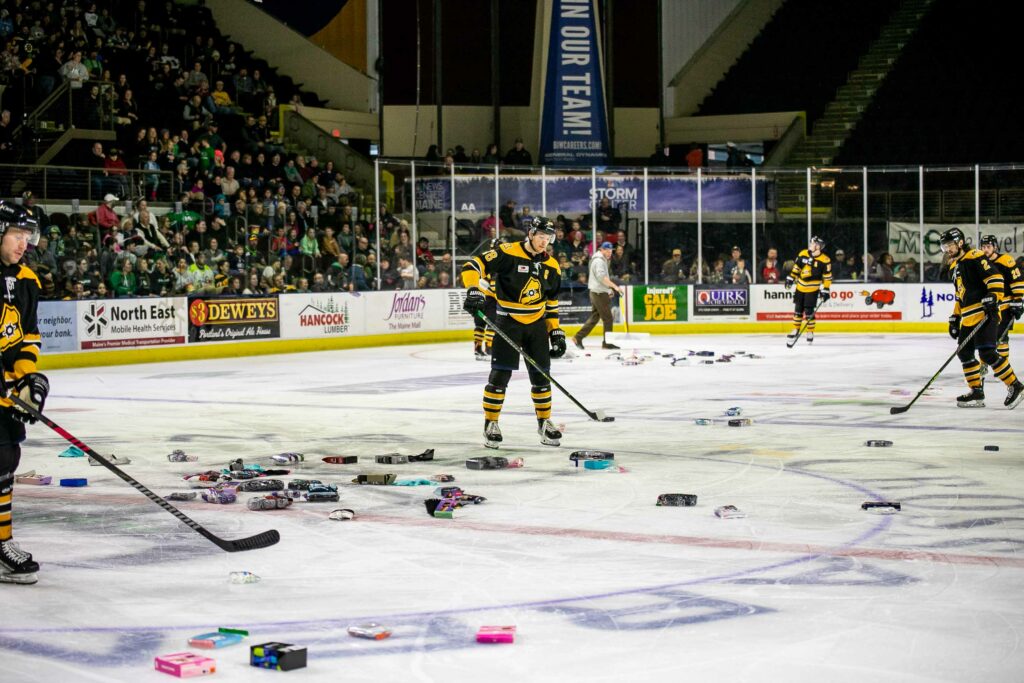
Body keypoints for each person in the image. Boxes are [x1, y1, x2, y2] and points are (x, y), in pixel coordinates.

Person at [461, 216, 566, 449]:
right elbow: (473, 265)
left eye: (548, 238)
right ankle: (491, 423)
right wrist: (473, 290)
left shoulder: (552, 265)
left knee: (542, 378)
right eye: (541, 236)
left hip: (537, 326)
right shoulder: (508, 252)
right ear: (531, 233)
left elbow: (551, 302)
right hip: (507, 323)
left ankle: (544, 422)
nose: (544, 242)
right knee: (500, 376)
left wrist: (555, 331)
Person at [0, 201, 50, 584]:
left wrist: (27, 381)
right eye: (16, 234)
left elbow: (27, 339)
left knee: (7, 458)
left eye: (26, 236)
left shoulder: (28, 280)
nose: (23, 243)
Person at [942, 228, 1022, 409]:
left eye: (950, 245)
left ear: (960, 242)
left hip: (985, 314)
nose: (947, 249)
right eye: (944, 246)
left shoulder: (975, 256)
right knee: (964, 352)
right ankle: (976, 391)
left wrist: (994, 296)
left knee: (987, 353)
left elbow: (995, 277)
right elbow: (960, 295)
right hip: (968, 317)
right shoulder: (954, 266)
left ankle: (1015, 385)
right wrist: (955, 316)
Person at [979, 234, 1024, 364]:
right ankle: (984, 363)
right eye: (983, 247)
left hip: (1005, 306)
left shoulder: (1006, 260)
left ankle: (1003, 365)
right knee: (985, 337)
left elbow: (1017, 280)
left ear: (995, 247)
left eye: (988, 247)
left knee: (1001, 337)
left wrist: (1018, 299)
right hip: (987, 306)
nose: (985, 250)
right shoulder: (980, 263)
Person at [573, 241, 624, 351]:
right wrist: (615, 287)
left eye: (611, 251)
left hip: (597, 291)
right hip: (599, 293)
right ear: (602, 250)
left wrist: (608, 289)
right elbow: (601, 277)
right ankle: (607, 343)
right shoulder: (599, 261)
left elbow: (601, 278)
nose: (610, 253)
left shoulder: (600, 259)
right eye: (607, 251)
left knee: (595, 317)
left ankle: (578, 337)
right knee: (608, 318)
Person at [785, 235, 832, 344]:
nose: (810, 245)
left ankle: (810, 331)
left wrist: (826, 289)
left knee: (809, 311)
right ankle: (796, 329)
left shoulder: (825, 260)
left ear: (818, 246)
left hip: (812, 289)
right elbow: (796, 268)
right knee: (798, 310)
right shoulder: (803, 253)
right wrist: (791, 278)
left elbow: (827, 277)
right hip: (800, 287)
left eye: (813, 243)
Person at [471, 238, 500, 360]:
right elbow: (494, 285)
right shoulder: (497, 262)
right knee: (492, 323)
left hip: (478, 297)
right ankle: (489, 347)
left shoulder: (484, 259)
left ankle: (477, 349)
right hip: (489, 299)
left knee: (480, 324)